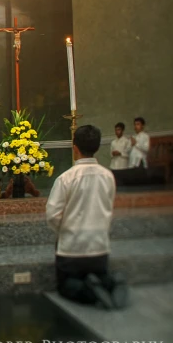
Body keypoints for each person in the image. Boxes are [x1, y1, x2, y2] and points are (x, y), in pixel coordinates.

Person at [46, 125, 128, 309]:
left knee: (65, 286)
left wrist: (65, 232)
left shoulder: (66, 178)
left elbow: (52, 214)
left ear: (75, 147)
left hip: (72, 250)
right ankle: (109, 282)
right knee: (98, 272)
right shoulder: (108, 176)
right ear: (97, 147)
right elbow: (108, 207)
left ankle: (89, 290)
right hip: (99, 248)